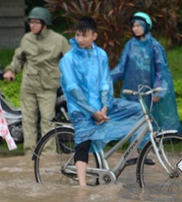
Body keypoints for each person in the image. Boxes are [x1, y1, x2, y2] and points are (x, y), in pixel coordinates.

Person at [60, 17, 143, 186]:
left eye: (84, 35)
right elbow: (72, 88)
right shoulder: (68, 59)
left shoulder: (101, 55)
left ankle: (133, 153)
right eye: (77, 35)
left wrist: (104, 106)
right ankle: (82, 186)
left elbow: (106, 82)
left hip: (102, 105)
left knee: (139, 109)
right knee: (83, 139)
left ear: (94, 36)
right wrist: (93, 111)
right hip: (80, 108)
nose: (80, 39)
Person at [3, 7, 71, 156]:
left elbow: (71, 60)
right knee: (28, 121)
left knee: (47, 121)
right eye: (30, 22)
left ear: (45, 24)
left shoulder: (58, 40)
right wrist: (10, 70)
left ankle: (48, 156)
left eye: (36, 22)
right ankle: (29, 155)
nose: (32, 25)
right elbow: (19, 57)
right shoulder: (26, 38)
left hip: (48, 87)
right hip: (29, 85)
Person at [110, 11, 182, 141]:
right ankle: (135, 152)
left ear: (146, 26)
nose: (135, 29)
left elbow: (162, 69)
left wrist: (158, 90)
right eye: (134, 26)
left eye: (139, 25)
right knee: (133, 120)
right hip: (131, 89)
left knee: (147, 120)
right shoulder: (130, 45)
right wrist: (107, 81)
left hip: (149, 90)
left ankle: (144, 149)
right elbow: (121, 68)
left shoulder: (155, 46)